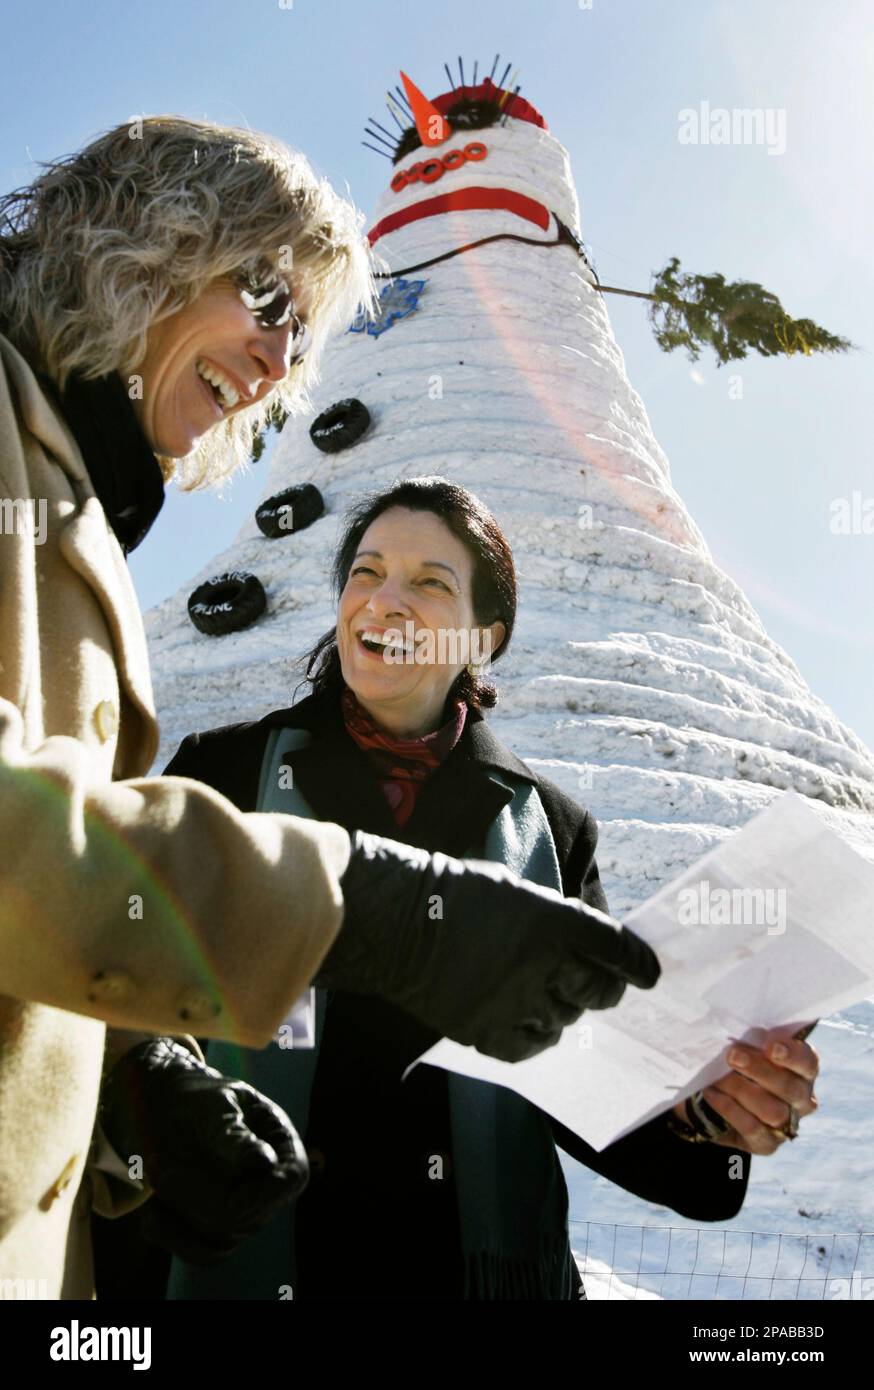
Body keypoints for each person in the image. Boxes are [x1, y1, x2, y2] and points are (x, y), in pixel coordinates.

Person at [0, 118, 658, 1300]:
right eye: (262, 293)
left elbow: (60, 934)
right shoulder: (219, 753)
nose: (275, 359)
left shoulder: (65, 506)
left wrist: (134, 1103)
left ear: (487, 636)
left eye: (300, 333)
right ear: (142, 237)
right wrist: (375, 909)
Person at [164, 477, 820, 1301]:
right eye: (365, 573)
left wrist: (705, 1111)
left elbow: (574, 1073)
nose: (384, 602)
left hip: (467, 1278)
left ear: (484, 637)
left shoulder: (551, 827)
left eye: (431, 583)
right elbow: (131, 1006)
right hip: (267, 1258)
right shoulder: (222, 773)